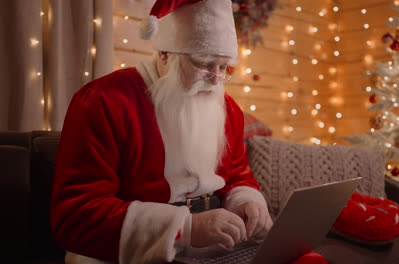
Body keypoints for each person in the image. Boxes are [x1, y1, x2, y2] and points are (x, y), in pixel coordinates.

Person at [50, 1, 328, 263]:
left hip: (213, 247)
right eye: (204, 63)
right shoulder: (104, 100)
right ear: (164, 54)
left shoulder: (228, 109)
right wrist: (185, 228)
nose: (216, 79)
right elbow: (75, 217)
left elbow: (238, 176)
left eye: (224, 67)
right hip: (136, 253)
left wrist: (247, 203)